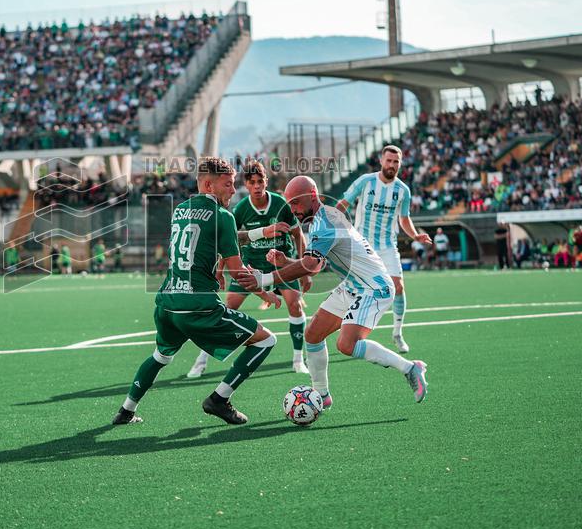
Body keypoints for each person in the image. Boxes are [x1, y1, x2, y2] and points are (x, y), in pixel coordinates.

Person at [112, 157, 282, 426]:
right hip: (198, 306)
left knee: (161, 356)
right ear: (208, 185)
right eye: (227, 184)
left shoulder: (180, 209)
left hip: (167, 302)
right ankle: (219, 399)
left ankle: (126, 410)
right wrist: (266, 291)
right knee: (266, 341)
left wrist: (253, 238)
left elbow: (205, 237)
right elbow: (238, 271)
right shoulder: (223, 216)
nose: (232, 190)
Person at [236, 175, 428, 410]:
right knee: (313, 334)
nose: (293, 209)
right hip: (353, 286)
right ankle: (322, 394)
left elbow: (311, 266)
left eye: (296, 203)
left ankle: (410, 368)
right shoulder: (321, 218)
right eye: (290, 204)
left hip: (374, 288)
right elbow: (313, 265)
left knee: (346, 345)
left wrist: (264, 279)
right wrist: (286, 260)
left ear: (313, 196)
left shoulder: (325, 221)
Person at [186, 159, 311, 378]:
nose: (256, 186)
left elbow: (297, 235)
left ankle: (298, 359)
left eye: (260, 181)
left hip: (280, 264)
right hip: (250, 264)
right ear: (246, 183)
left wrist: (304, 269)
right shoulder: (241, 208)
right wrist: (219, 270)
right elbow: (230, 241)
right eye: (251, 182)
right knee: (227, 307)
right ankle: (201, 360)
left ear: (266, 181)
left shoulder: (281, 204)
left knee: (295, 305)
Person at [335, 145, 431, 353]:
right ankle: (343, 330)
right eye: (388, 160)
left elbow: (404, 218)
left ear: (400, 164)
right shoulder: (365, 181)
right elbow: (343, 203)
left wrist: (415, 235)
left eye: (396, 162)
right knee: (352, 290)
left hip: (387, 246)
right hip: (362, 246)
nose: (392, 165)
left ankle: (397, 333)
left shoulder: (402, 190)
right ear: (381, 161)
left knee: (398, 287)